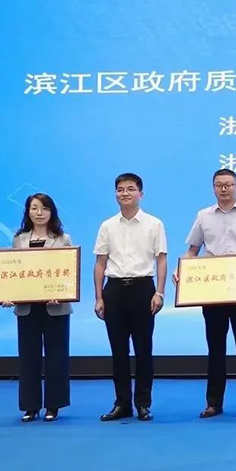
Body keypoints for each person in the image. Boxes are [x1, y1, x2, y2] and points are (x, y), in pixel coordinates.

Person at [175, 169, 236, 418]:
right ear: (213, 188)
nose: (224, 189)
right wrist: (182, 271)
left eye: (228, 184)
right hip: (213, 291)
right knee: (215, 349)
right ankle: (214, 403)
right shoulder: (203, 216)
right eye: (219, 185)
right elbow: (193, 250)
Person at [94, 173, 167, 422]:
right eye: (120, 189)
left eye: (131, 189)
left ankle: (143, 404)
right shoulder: (107, 226)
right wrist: (99, 297)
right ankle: (122, 403)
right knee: (118, 351)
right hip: (114, 290)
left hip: (143, 288)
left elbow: (161, 260)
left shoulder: (154, 224)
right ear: (116, 194)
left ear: (141, 194)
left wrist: (159, 292)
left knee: (144, 349)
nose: (125, 193)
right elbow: (100, 263)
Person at [2, 193, 72, 422]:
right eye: (34, 208)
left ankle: (53, 405)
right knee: (28, 358)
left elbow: (67, 273)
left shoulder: (62, 239)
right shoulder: (19, 239)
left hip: (56, 307)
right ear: (28, 212)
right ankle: (30, 406)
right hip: (27, 308)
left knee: (56, 357)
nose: (39, 213)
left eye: (44, 208)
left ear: (52, 212)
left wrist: (61, 294)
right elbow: (14, 273)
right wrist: (8, 295)